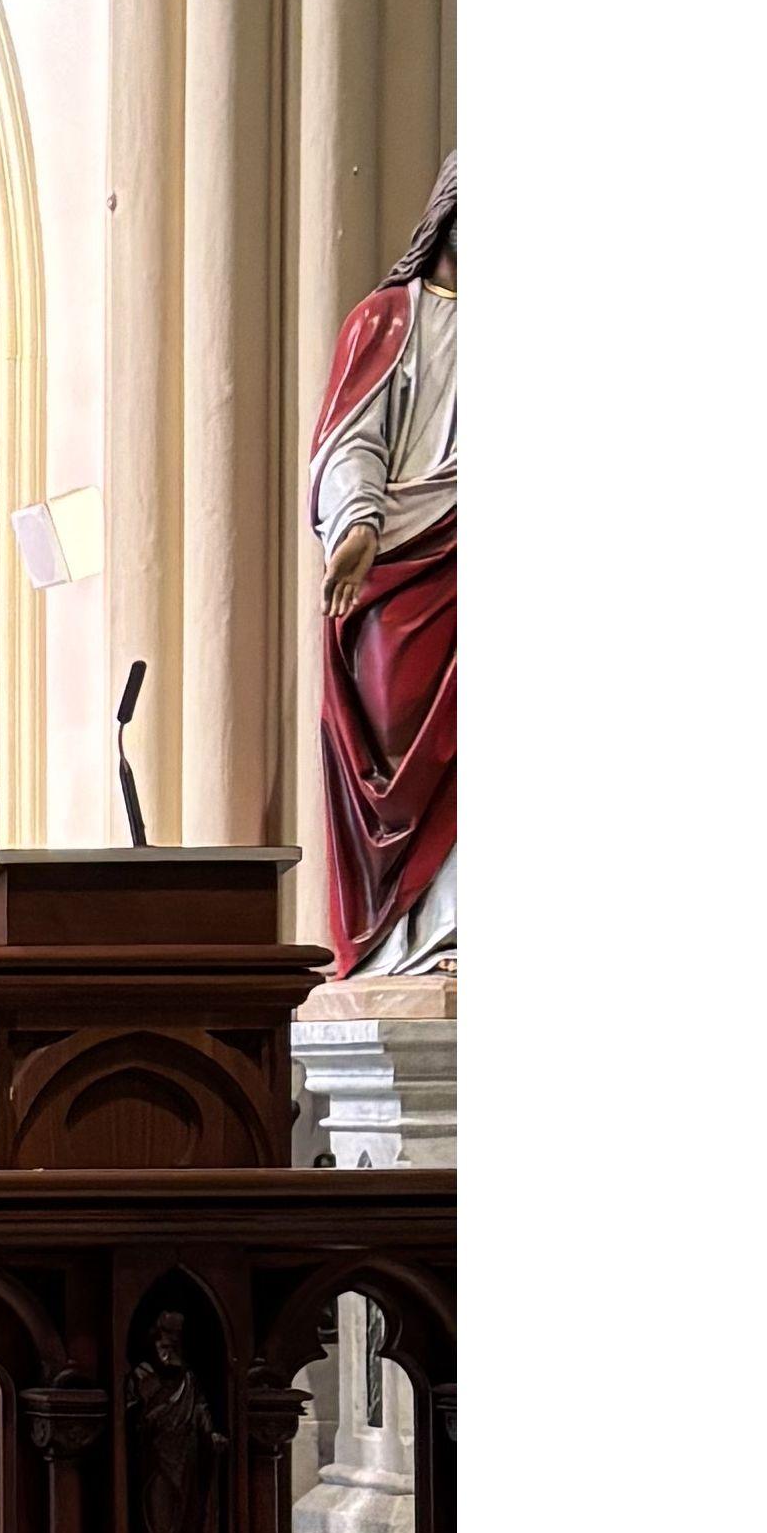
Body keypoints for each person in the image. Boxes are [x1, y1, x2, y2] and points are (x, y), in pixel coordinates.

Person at [307, 165, 455, 978]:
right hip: (402, 564)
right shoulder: (387, 320)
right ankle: (403, 937)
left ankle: (459, 930)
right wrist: (359, 525)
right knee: (397, 722)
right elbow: (351, 438)